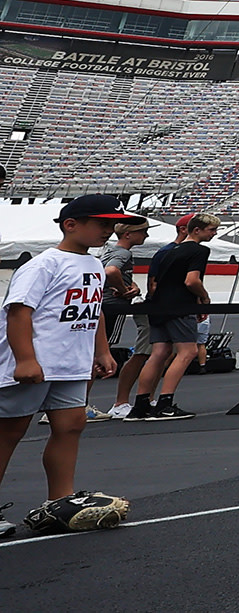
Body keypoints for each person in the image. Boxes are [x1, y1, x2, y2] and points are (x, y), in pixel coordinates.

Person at [1, 195, 142, 537]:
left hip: (71, 364)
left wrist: (103, 352)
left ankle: (59, 502)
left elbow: (93, 314)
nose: (109, 231)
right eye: (102, 224)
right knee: (9, 432)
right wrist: (26, 359)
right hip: (37, 362)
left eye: (112, 225)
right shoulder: (43, 265)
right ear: (71, 224)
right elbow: (19, 312)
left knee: (71, 426)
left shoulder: (94, 266)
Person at [128, 213, 220, 421]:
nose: (214, 234)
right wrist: (204, 298)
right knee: (187, 352)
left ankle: (140, 406)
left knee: (158, 353)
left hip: (158, 305)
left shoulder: (167, 251)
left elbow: (153, 282)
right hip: (179, 305)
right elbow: (191, 281)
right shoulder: (199, 250)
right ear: (196, 230)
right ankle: (164, 403)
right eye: (211, 230)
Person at [98, 218, 152, 418]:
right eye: (143, 231)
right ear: (128, 234)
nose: (146, 235)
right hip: (113, 306)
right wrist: (124, 291)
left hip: (103, 305)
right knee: (101, 354)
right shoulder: (123, 252)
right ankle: (83, 406)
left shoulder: (109, 250)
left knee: (94, 354)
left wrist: (130, 286)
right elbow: (111, 271)